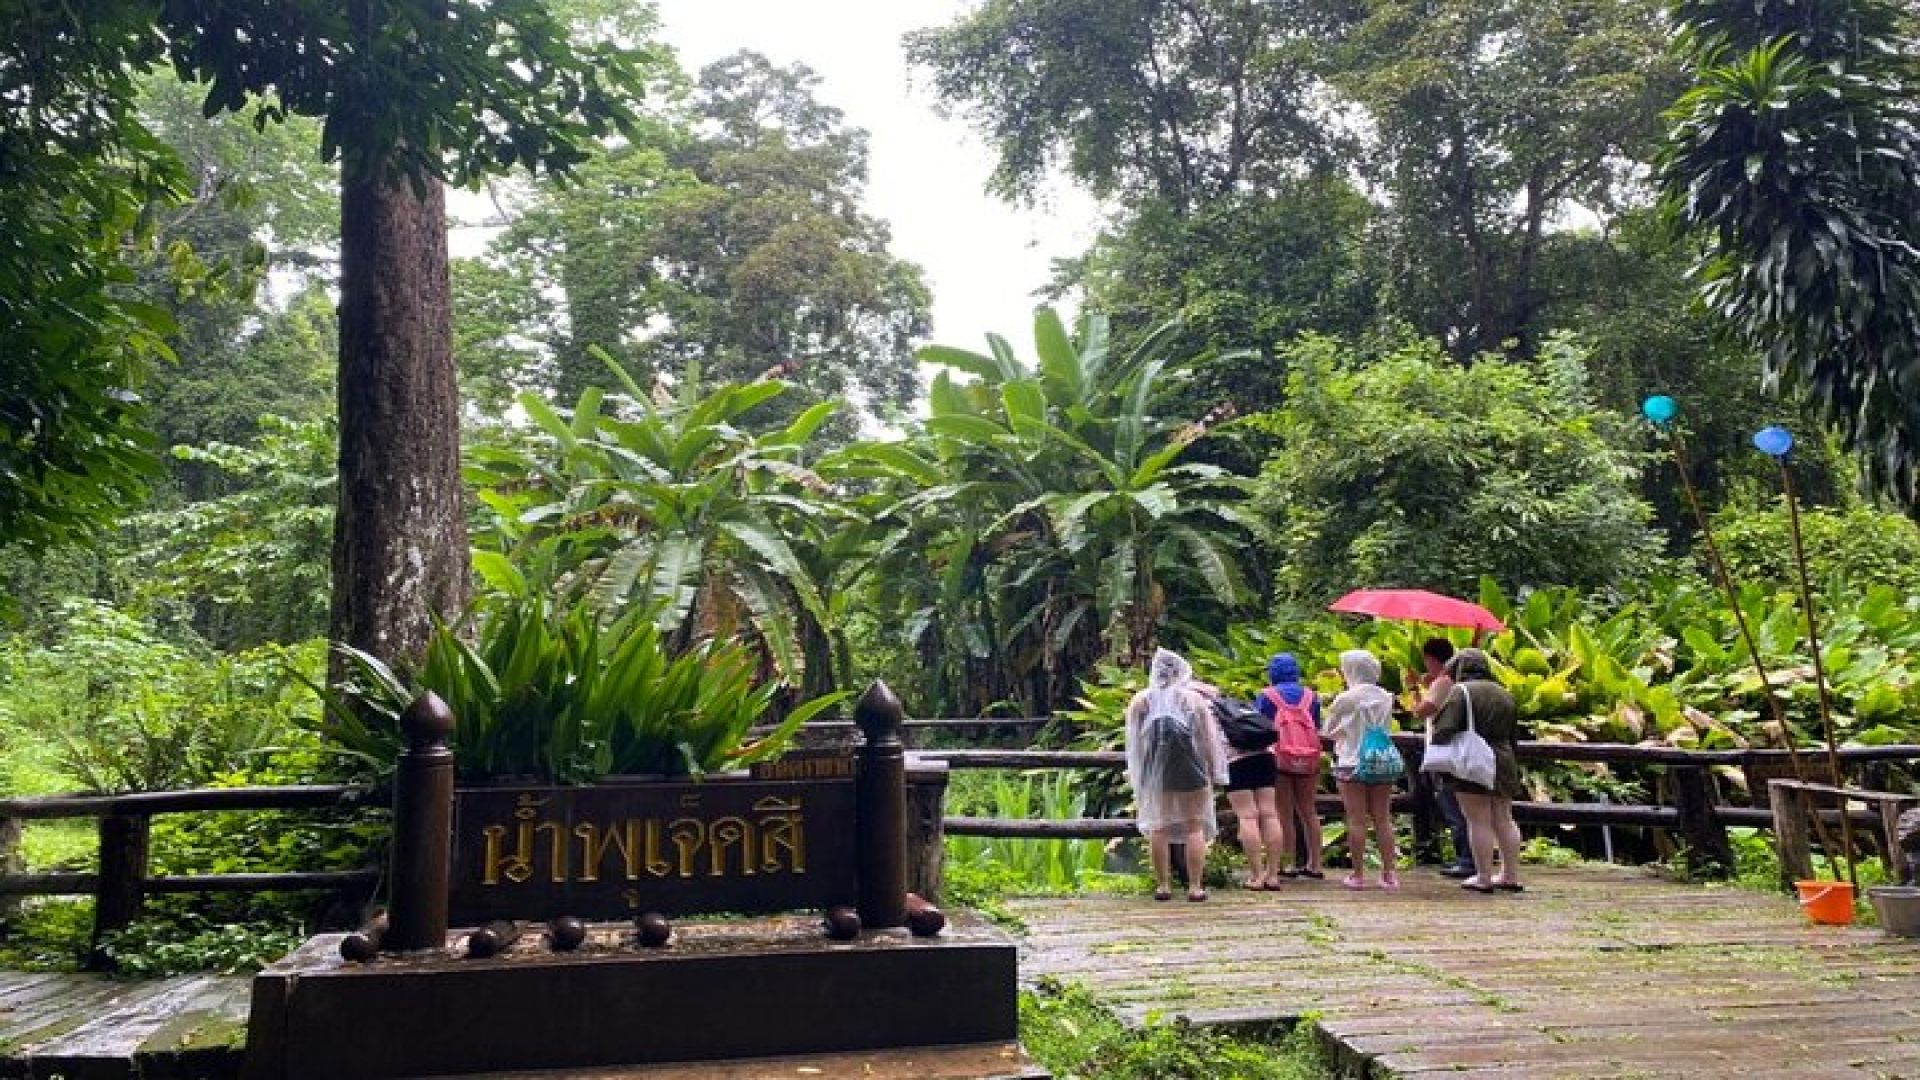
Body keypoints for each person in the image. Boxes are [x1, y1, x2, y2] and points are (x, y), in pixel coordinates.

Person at [1125, 648, 1228, 902]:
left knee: (1158, 827)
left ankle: (1163, 886)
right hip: (1191, 768)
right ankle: (1194, 887)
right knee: (1195, 826)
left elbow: (1134, 742)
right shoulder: (1193, 700)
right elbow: (1208, 739)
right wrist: (1215, 769)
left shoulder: (1141, 700)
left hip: (1154, 770)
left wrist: (1137, 772)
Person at [1429, 647, 1525, 893]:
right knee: (1504, 818)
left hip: (1473, 759)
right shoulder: (1505, 693)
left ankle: (1483, 875)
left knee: (1477, 818)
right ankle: (1510, 875)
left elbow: (1445, 729)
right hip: (1504, 759)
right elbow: (1514, 733)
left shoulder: (1460, 692)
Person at [1197, 679, 1287, 890]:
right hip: (1265, 757)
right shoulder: (1234, 704)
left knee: (1247, 816)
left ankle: (1256, 876)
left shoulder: (1206, 713)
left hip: (1236, 762)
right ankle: (1273, 875)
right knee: (1270, 814)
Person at [1324, 649, 1401, 890]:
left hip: (1351, 761)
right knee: (1383, 818)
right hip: (1380, 760)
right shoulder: (1387, 697)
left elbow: (1329, 730)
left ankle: (1357, 875)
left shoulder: (1346, 699)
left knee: (1357, 820)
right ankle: (1389, 874)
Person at [1256, 653, 1325, 880]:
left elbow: (1260, 726)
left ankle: (1288, 863)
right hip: (1308, 758)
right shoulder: (1310, 696)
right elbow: (1316, 725)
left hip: (1280, 758)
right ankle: (1315, 864)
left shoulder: (1267, 696)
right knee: (1309, 811)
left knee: (1283, 812)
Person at [1410, 637, 1475, 878]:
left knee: (1453, 805)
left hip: (1444, 752)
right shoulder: (1458, 680)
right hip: (1460, 752)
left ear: (1431, 659)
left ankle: (1466, 859)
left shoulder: (1444, 681)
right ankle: (1470, 857)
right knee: (1465, 806)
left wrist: (1413, 689)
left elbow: (1422, 711)